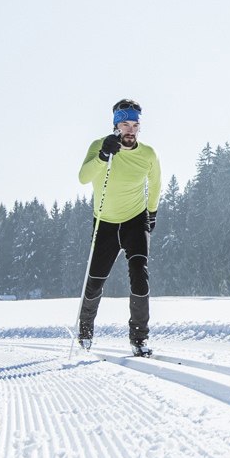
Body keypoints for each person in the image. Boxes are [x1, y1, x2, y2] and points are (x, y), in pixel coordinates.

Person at [76, 98, 162, 354]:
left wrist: (152, 213)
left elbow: (155, 183)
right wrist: (103, 156)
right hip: (105, 223)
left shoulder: (147, 154)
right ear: (115, 125)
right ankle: (85, 332)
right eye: (125, 124)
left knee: (139, 272)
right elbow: (83, 178)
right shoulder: (100, 146)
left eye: (135, 125)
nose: (130, 130)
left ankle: (139, 338)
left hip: (136, 220)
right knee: (96, 281)